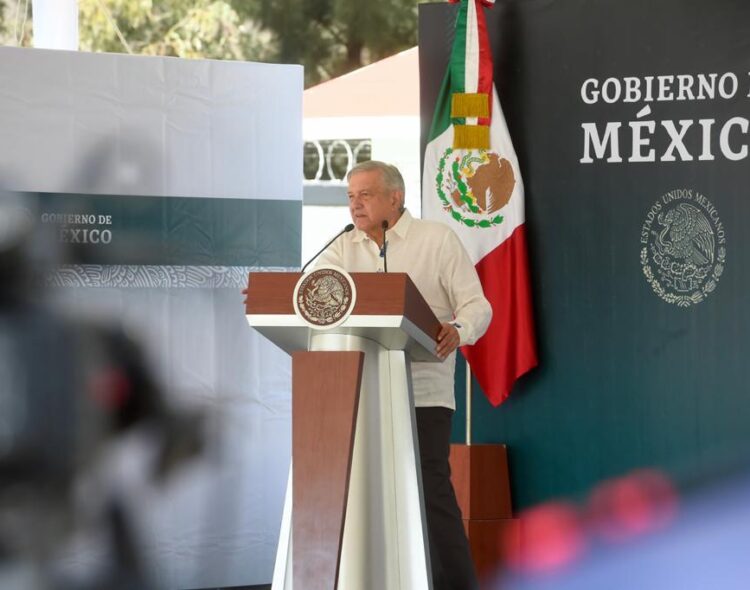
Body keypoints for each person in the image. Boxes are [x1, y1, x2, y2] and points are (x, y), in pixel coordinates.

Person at [317, 160, 492, 590]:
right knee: (365, 495)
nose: (355, 205)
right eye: (350, 196)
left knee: (430, 495)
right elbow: (312, 290)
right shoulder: (343, 246)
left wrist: (458, 330)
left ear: (395, 197)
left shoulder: (436, 240)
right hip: (361, 391)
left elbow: (477, 307)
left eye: (365, 195)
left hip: (423, 392)